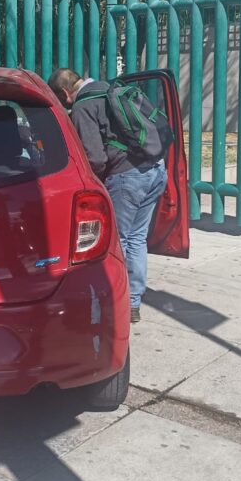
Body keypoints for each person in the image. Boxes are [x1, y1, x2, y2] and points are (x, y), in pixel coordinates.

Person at [47, 68, 167, 324]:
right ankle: (133, 301)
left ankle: (117, 302)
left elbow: (95, 158)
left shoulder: (83, 106)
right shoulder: (111, 88)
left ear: (65, 94)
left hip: (127, 177)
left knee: (117, 242)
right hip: (156, 169)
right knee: (136, 238)